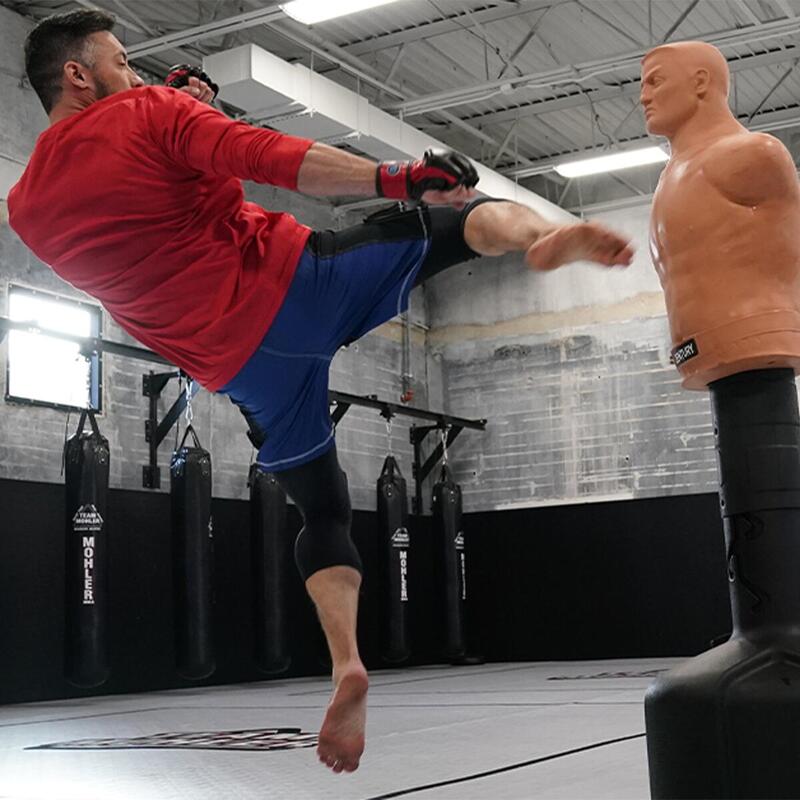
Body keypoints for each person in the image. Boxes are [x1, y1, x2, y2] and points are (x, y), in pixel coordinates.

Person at [8, 10, 634, 775]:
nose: (134, 74)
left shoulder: (28, 209)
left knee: (325, 510)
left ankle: (346, 663)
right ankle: (539, 239)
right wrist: (398, 177)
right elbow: (270, 156)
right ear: (78, 74)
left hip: (243, 369)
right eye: (122, 60)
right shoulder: (150, 112)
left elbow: (143, 206)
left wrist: (178, 115)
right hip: (297, 286)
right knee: (453, 221)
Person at [641, 41, 800, 389]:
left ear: (700, 82)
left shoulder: (753, 155)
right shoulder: (669, 181)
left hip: (755, 332)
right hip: (695, 348)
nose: (643, 97)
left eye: (655, 82)